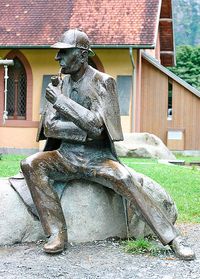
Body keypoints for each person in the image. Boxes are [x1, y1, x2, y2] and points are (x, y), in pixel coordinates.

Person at [20, 29, 195, 260]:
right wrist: (83, 129)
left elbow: (98, 128)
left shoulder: (103, 83)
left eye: (64, 52)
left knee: (125, 179)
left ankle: (173, 239)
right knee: (31, 164)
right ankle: (56, 233)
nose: (57, 58)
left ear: (82, 55)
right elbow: (50, 128)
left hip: (98, 158)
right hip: (65, 155)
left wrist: (62, 104)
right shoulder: (59, 84)